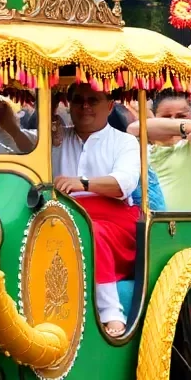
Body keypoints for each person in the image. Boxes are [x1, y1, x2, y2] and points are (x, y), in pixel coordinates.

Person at [53, 85, 141, 337]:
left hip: (113, 223)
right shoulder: (55, 138)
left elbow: (124, 183)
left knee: (91, 231)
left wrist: (83, 183)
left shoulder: (125, 142)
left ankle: (111, 313)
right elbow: (21, 145)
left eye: (93, 100)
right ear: (68, 104)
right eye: (78, 100)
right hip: (61, 216)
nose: (85, 106)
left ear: (110, 105)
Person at [127, 91, 191, 211]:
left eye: (181, 117)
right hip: (152, 227)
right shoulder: (140, 150)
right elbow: (132, 128)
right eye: (166, 117)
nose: (173, 121)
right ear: (154, 118)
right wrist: (179, 127)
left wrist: (177, 128)